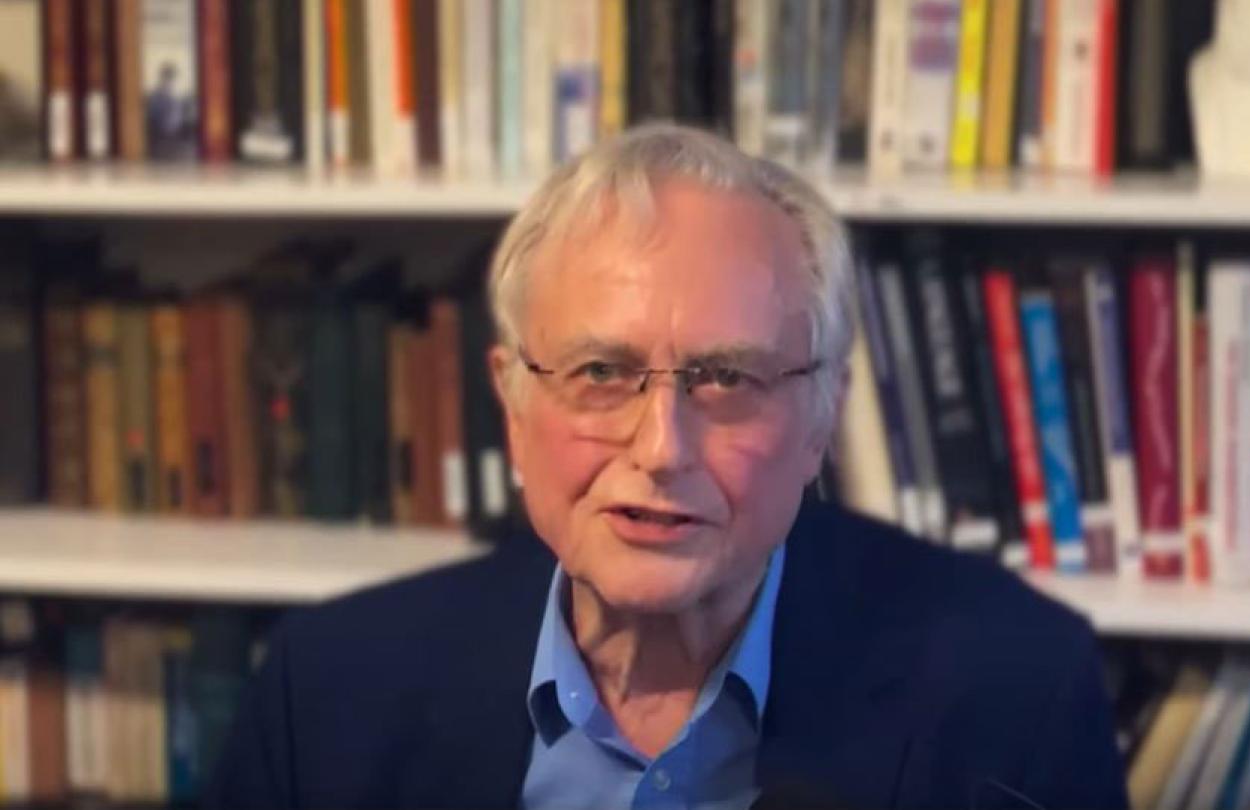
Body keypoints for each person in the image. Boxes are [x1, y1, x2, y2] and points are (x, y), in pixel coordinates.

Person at [207, 124, 1128, 809]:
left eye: (726, 377)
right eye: (600, 373)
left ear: (821, 416)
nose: (660, 449)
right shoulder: (323, 692)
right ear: (515, 405)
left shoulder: (1020, 696)